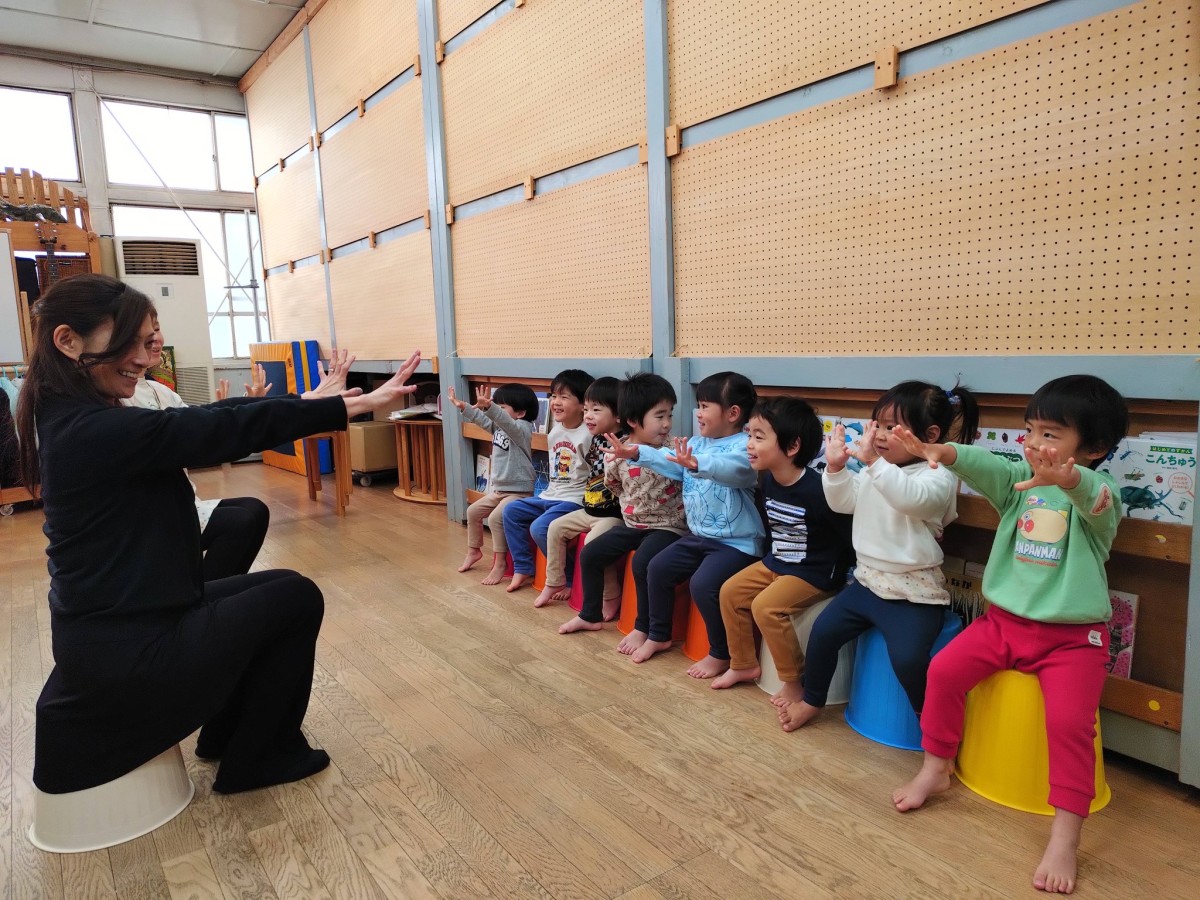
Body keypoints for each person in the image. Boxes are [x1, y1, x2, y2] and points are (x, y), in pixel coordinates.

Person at [15, 273, 420, 795]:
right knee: (296, 599)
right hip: (128, 651)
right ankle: (258, 759)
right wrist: (343, 408)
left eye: (146, 341)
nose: (143, 358)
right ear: (68, 341)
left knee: (281, 586)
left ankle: (228, 736)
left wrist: (305, 400)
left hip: (131, 622)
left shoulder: (74, 415)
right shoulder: (89, 429)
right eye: (130, 343)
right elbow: (210, 431)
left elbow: (206, 416)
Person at [891, 375, 1128, 896]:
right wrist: (944, 452)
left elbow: (1095, 498)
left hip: (1073, 638)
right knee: (942, 671)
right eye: (1030, 430)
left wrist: (1069, 480)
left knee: (1069, 723)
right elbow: (988, 465)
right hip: (1002, 625)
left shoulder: (1102, 496)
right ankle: (937, 766)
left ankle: (1066, 834)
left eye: (1050, 434)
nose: (1034, 444)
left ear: (1093, 448)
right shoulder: (1019, 482)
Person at [778, 380, 979, 731]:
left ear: (930, 435)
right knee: (823, 633)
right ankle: (812, 700)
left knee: (909, 660)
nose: (881, 436)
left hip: (913, 592)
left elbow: (911, 499)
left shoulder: (937, 476)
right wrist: (836, 469)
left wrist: (873, 463)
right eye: (879, 426)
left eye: (892, 428)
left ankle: (934, 726)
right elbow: (843, 502)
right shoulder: (877, 470)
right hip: (867, 581)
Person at [609, 371, 764, 677]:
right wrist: (638, 452)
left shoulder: (745, 446)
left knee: (703, 584)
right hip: (699, 537)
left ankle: (721, 654)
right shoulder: (696, 443)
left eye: (705, 406)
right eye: (698, 406)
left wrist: (697, 463)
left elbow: (737, 471)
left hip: (737, 544)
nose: (698, 413)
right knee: (657, 567)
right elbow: (669, 459)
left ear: (733, 413)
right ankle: (659, 634)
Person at [711, 398, 854, 710]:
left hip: (814, 572)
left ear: (792, 446)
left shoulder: (819, 489)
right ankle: (743, 664)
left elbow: (847, 536)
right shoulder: (768, 479)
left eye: (759, 437)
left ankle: (794, 681)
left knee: (766, 607)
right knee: (730, 592)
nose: (749, 444)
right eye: (749, 434)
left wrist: (843, 577)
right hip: (777, 562)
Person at [559, 373, 687, 635]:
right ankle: (590, 615)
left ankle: (645, 628)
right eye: (659, 416)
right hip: (633, 526)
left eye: (669, 415)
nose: (667, 423)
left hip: (668, 527)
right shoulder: (617, 453)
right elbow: (614, 485)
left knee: (642, 563)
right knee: (590, 554)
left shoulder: (674, 449)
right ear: (633, 420)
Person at [533, 377, 627, 608]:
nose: (588, 416)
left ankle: (610, 595)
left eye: (595, 410)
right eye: (586, 410)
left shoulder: (626, 444)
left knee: (595, 543)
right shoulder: (596, 439)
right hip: (589, 510)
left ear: (618, 415)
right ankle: (555, 581)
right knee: (554, 528)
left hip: (614, 516)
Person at [502, 369, 594, 592]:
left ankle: (568, 578)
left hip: (574, 500)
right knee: (511, 511)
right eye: (554, 396)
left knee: (540, 527)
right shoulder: (555, 432)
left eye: (564, 397)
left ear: (583, 404)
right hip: (550, 495)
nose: (556, 402)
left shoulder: (589, 434)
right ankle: (523, 567)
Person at [447, 382, 539, 584]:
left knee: (496, 518)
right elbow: (483, 420)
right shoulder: (500, 427)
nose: (497, 411)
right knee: (473, 512)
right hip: (500, 490)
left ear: (521, 413)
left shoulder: (522, 429)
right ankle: (474, 551)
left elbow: (507, 423)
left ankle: (500, 563)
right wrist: (464, 407)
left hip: (519, 491)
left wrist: (490, 407)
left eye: (502, 407)